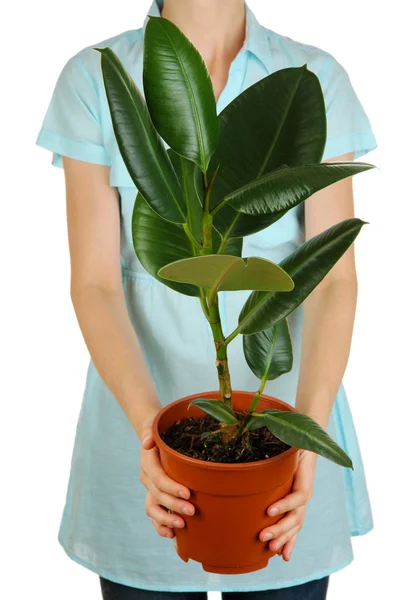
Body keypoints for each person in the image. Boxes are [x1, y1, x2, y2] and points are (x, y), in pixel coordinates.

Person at [35, 0, 378, 598]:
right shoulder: (99, 75)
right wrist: (153, 436)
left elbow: (334, 280)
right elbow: (93, 283)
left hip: (285, 442)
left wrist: (308, 439)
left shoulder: (310, 77)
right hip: (143, 446)